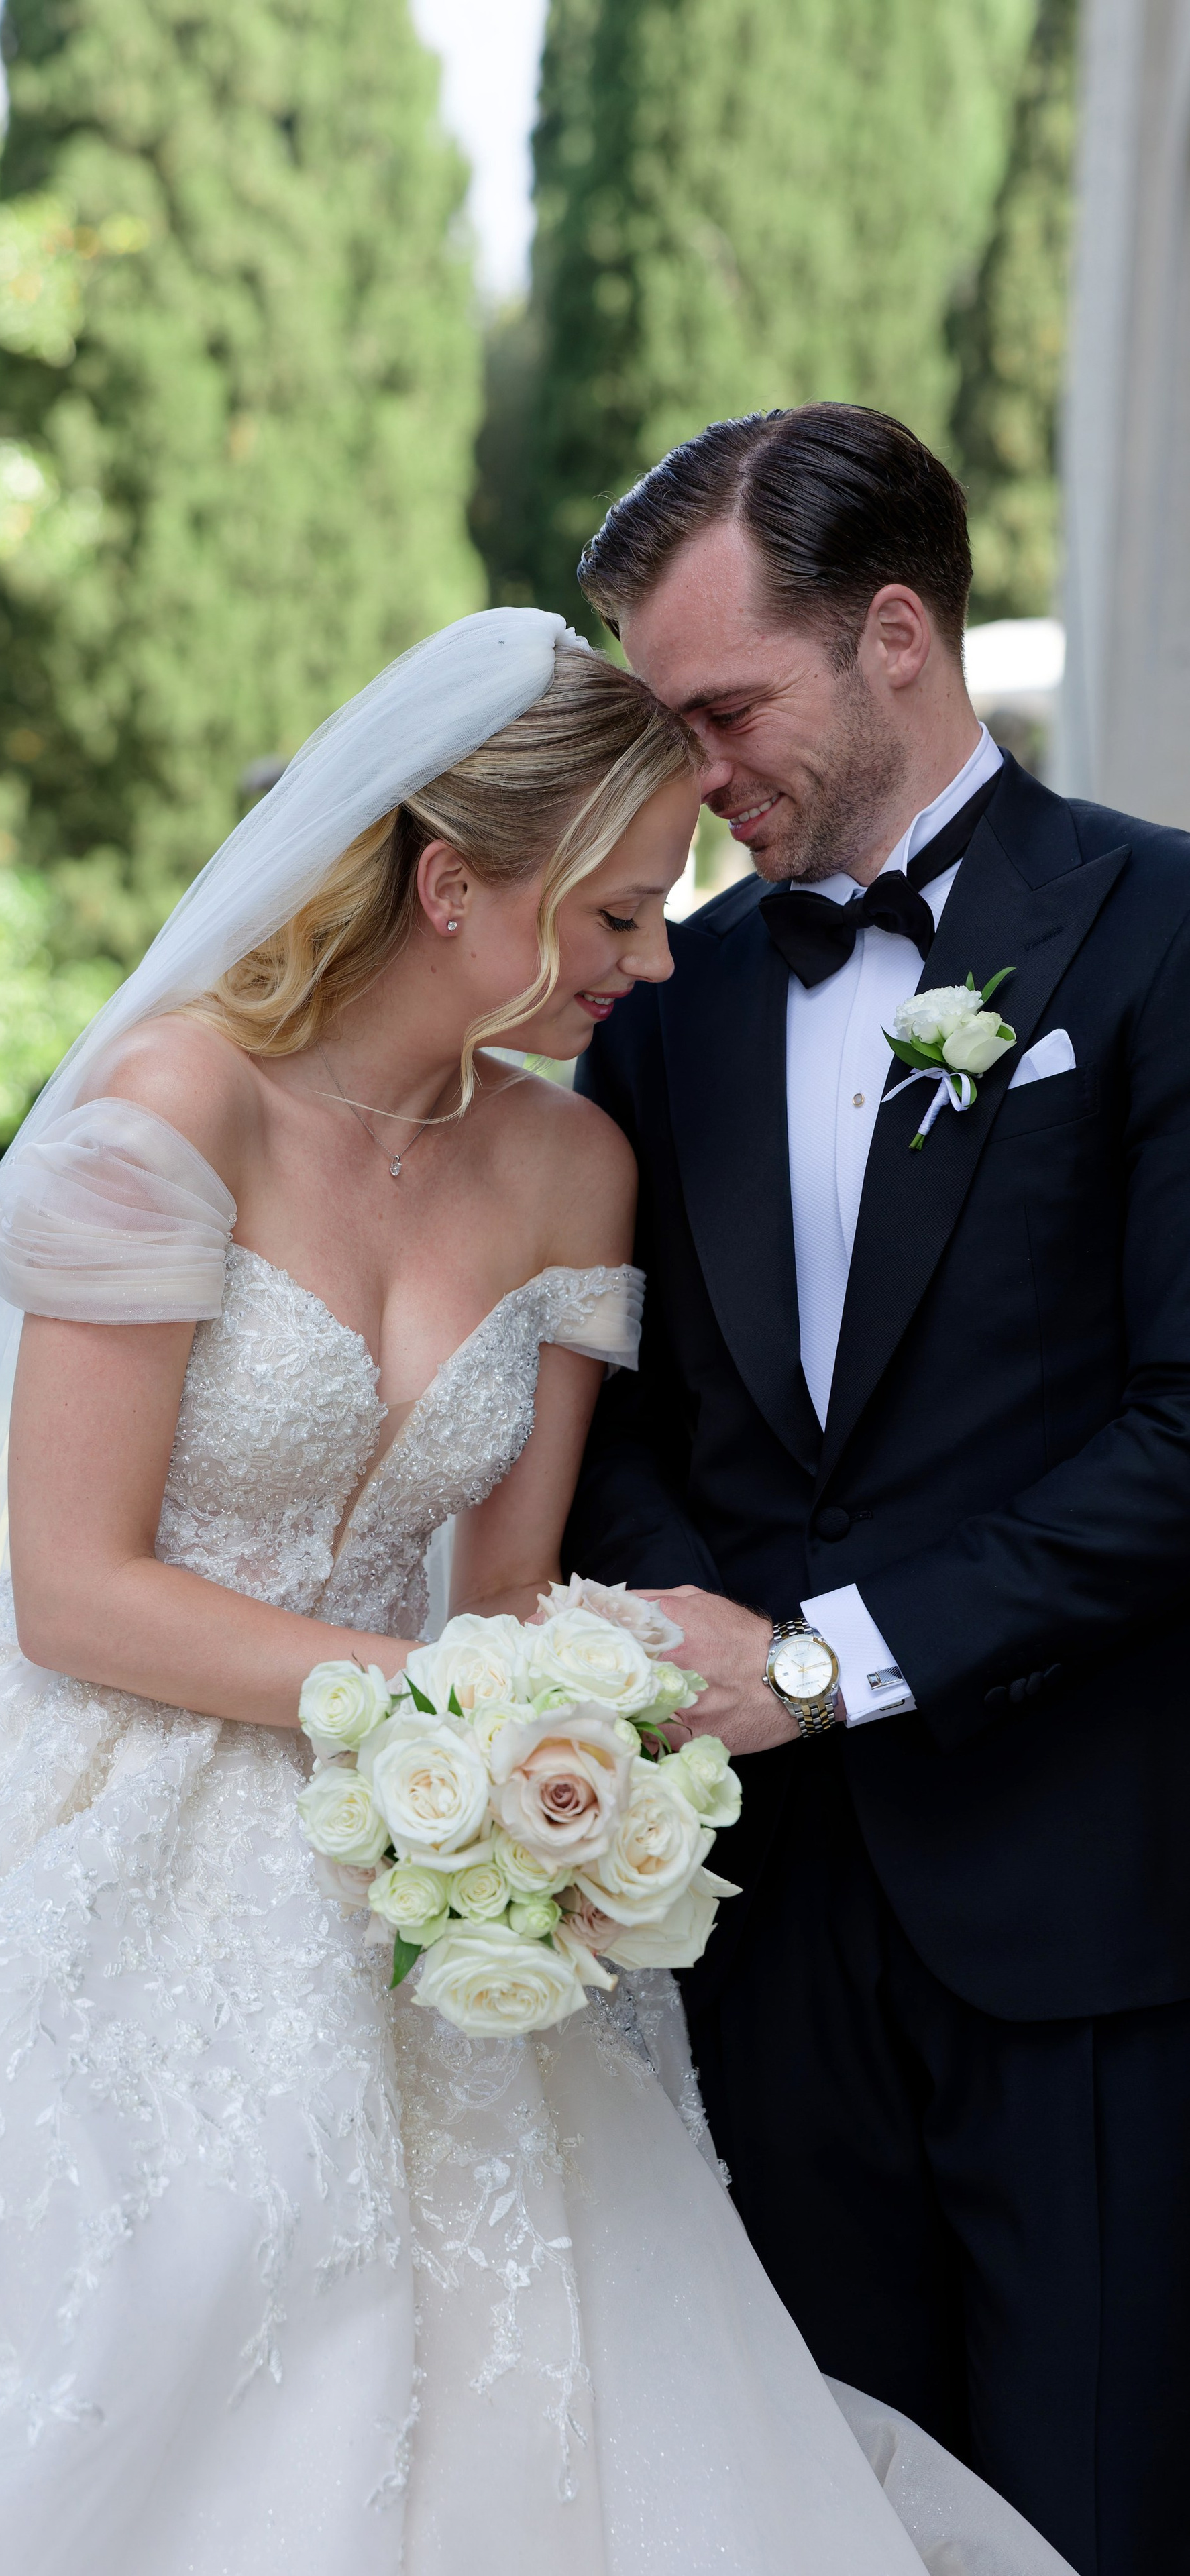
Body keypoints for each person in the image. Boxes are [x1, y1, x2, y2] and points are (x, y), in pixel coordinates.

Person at [0, 613, 1065, 2574]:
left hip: (411, 1840)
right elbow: (75, 1591)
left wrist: (534, 1746)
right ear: (452, 883)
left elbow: (506, 1584)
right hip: (92, 1783)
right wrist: (432, 1707)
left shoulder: (573, 1167)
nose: (652, 966)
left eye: (665, 919)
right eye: (621, 916)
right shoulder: (176, 1106)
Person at [567, 402, 1190, 2576]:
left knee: (1089, 2507)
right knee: (803, 2509)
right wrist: (689, 1645)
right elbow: (609, 1405)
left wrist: (832, 1662)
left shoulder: (1161, 931)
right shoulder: (663, 992)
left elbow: (1187, 1436)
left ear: (898, 635)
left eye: (723, 709)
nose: (689, 773)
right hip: (751, 1922)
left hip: (1082, 1915)